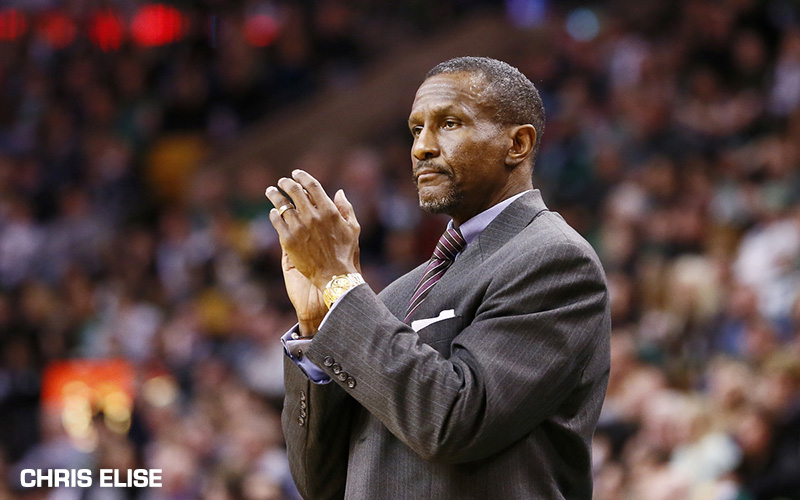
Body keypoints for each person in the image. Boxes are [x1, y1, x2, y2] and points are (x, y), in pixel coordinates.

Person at [265, 56, 610, 500]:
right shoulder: (393, 295)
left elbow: (452, 423)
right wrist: (319, 322)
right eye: (415, 129)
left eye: (448, 123)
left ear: (518, 144)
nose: (421, 148)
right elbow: (321, 483)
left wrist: (339, 281)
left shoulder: (553, 260)